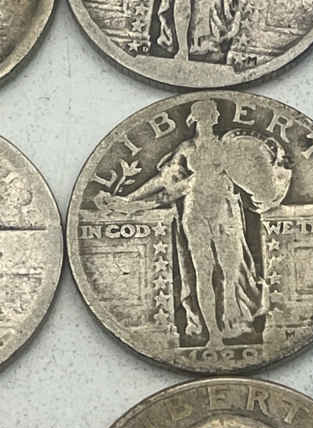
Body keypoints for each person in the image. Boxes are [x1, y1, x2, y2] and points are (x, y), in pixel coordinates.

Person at [112, 100, 291, 347]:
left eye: (210, 114)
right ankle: (213, 335)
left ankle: (231, 316)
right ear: (194, 119)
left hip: (224, 210)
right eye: (202, 115)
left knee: (230, 271)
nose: (207, 119)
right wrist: (130, 200)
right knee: (202, 273)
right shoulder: (187, 149)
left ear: (215, 117)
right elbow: (165, 181)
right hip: (195, 211)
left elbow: (257, 181)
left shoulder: (229, 147)